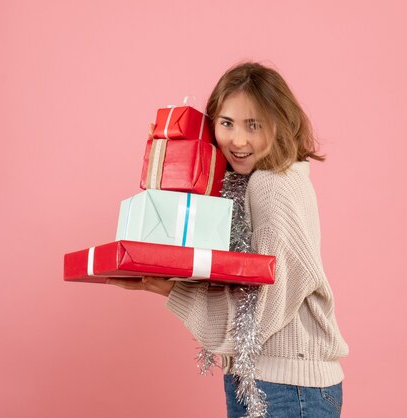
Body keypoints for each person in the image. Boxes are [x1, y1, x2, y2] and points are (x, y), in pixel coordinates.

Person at [108, 62, 349, 418]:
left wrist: (167, 289)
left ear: (280, 124)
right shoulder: (247, 183)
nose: (238, 140)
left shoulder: (273, 187)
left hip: (287, 388)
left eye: (254, 125)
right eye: (226, 124)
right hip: (263, 381)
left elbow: (258, 318)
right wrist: (180, 147)